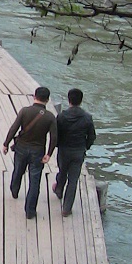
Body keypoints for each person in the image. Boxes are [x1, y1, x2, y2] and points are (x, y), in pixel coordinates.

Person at [2, 86, 57, 220]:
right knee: (35, 181)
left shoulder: (24, 111)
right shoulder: (50, 117)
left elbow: (14, 128)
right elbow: (54, 137)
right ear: (48, 100)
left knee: (18, 170)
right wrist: (49, 154)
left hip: (21, 148)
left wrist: (6, 143)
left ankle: (14, 191)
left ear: (34, 96)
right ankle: (30, 211)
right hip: (38, 151)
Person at [53, 88, 96, 217]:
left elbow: (56, 134)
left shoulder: (62, 116)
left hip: (64, 149)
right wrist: (85, 147)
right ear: (81, 101)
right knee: (73, 180)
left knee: (62, 170)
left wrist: (57, 145)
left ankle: (59, 189)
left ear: (68, 99)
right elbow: (92, 136)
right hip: (78, 151)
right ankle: (66, 208)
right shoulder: (87, 117)